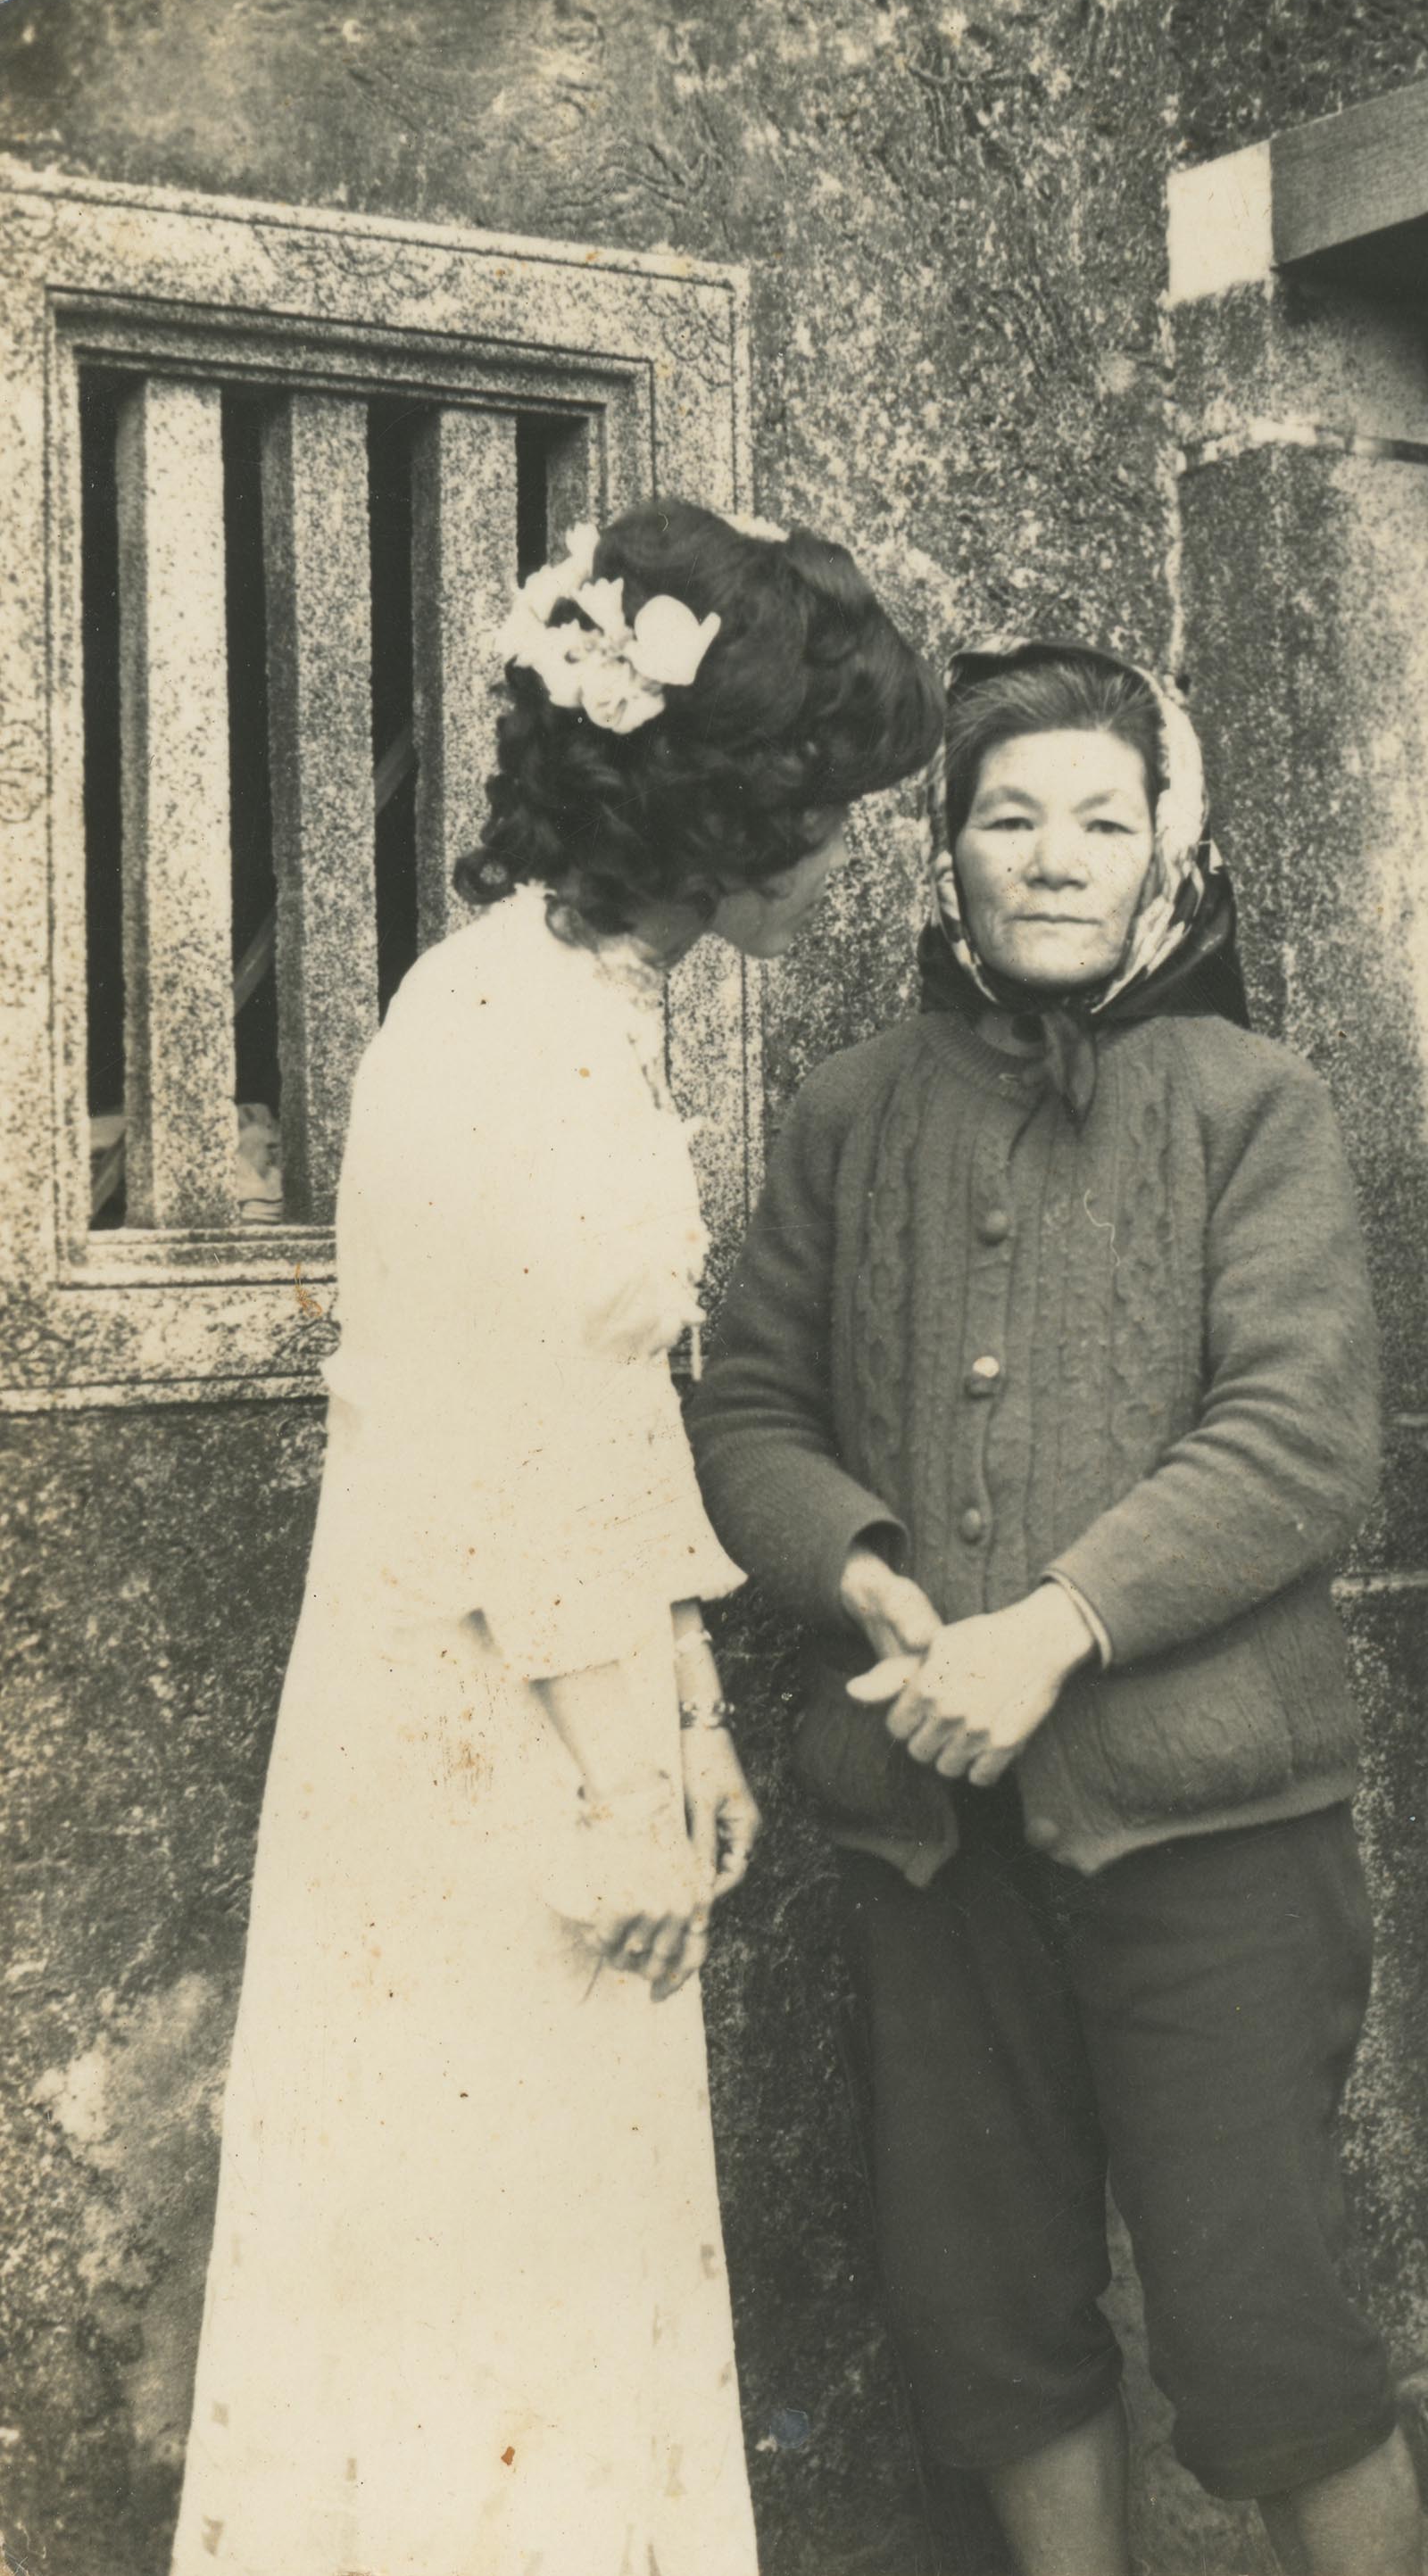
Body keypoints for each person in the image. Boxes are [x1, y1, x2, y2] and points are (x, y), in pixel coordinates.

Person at [171, 500, 942, 2576]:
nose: (841, 850)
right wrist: (622, 1784)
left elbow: (605, 1415)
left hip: (537, 1679)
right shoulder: (511, 1038)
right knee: (493, 2253)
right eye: (824, 806)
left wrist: (689, 1711)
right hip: (487, 1720)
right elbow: (515, 1457)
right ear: (727, 812)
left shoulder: (560, 996)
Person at [689, 640, 1423, 2576]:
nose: (1054, 856)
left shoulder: (1254, 1102)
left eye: (1102, 821)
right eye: (1007, 818)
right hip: (933, 1835)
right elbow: (750, 1405)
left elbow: (1298, 1436)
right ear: (943, 853)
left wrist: (1051, 1628)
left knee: (1266, 2334)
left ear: (1167, 852)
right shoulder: (847, 1111)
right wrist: (858, 1566)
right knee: (988, 2321)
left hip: (1211, 1831)